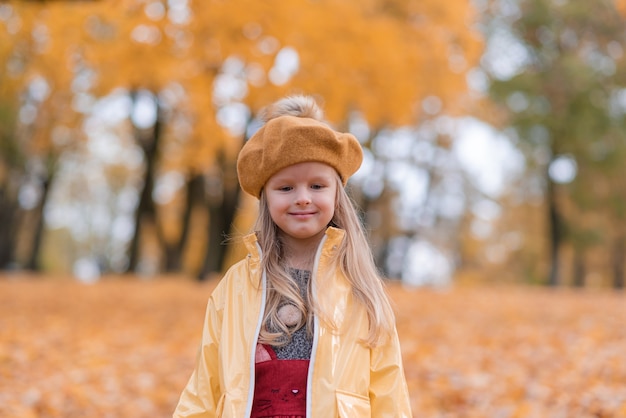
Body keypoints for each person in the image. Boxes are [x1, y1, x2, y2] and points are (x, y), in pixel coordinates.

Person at [173, 95, 412, 417]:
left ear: (336, 194)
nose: (302, 198)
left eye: (317, 186)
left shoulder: (361, 290)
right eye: (285, 188)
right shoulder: (237, 287)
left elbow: (389, 392)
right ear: (266, 198)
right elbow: (206, 386)